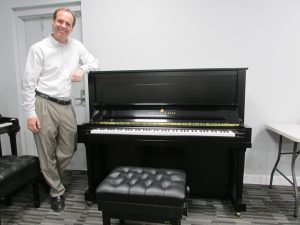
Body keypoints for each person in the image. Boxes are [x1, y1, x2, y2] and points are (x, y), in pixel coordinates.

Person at [21, 7, 99, 212]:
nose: (63, 26)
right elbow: (28, 84)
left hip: (66, 105)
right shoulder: (39, 48)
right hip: (44, 103)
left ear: (72, 27)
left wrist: (82, 69)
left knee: (69, 146)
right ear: (53, 22)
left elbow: (94, 63)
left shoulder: (77, 46)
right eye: (60, 21)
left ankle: (47, 175)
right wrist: (30, 113)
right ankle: (56, 191)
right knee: (46, 151)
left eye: (68, 23)